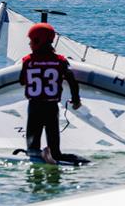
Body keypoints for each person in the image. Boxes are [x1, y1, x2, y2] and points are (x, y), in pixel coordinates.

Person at [19, 23, 81, 164]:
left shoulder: (27, 61)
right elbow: (71, 80)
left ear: (37, 41)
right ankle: (55, 155)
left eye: (31, 40)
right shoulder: (60, 61)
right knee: (54, 142)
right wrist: (76, 99)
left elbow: (22, 81)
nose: (29, 44)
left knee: (33, 143)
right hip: (52, 107)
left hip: (34, 106)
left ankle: (35, 155)